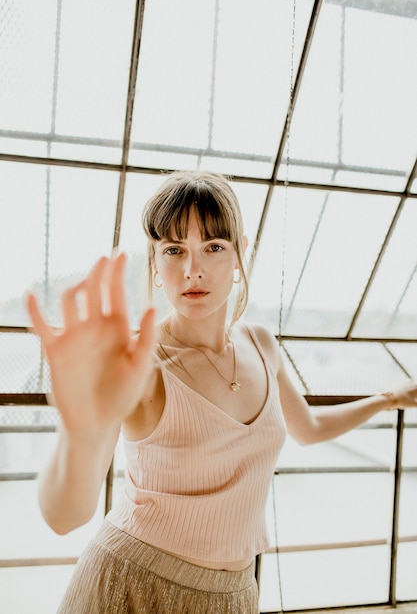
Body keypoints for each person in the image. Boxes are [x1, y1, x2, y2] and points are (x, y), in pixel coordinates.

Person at [27, 170, 417, 614]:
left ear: (240, 254)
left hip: (235, 595)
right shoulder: (142, 364)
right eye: (174, 250)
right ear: (154, 263)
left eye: (213, 247)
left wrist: (388, 399)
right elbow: (66, 516)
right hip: (133, 586)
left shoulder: (260, 344)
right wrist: (81, 430)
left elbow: (308, 428)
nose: (193, 269)